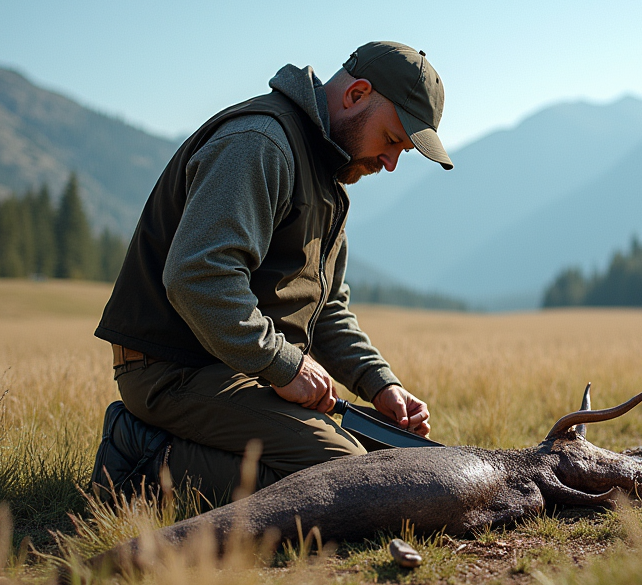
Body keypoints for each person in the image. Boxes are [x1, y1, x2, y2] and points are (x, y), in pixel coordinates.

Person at [89, 41, 452, 504]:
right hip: (174, 369)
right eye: (393, 140)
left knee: (375, 461)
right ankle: (136, 459)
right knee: (351, 478)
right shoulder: (260, 144)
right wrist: (284, 364)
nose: (391, 162)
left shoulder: (327, 173)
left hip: (236, 370)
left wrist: (381, 384)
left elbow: (326, 310)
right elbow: (198, 275)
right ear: (357, 94)